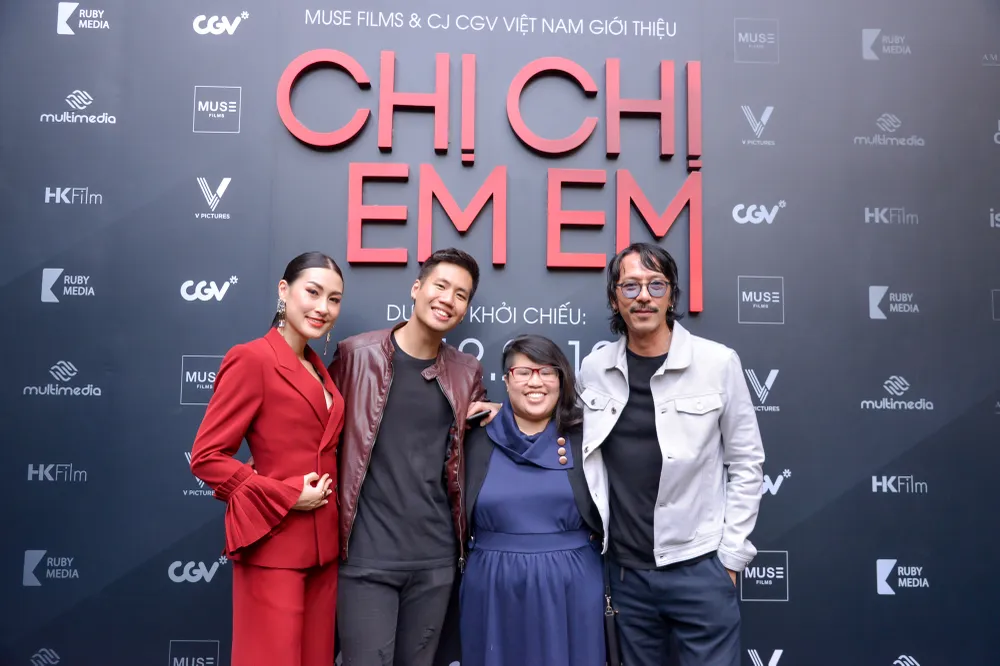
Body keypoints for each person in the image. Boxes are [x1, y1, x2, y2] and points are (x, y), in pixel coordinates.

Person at [578, 242, 765, 666]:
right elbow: (566, 429)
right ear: (615, 299)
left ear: (671, 295)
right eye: (630, 286)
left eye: (655, 285)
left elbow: (746, 463)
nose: (643, 296)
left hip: (699, 567)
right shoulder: (595, 369)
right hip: (625, 574)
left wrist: (730, 559)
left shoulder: (717, 363)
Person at [329, 247, 497, 666]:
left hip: (435, 561)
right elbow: (318, 432)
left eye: (461, 295)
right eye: (441, 286)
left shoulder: (467, 372)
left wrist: (503, 415)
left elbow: (471, 450)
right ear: (416, 288)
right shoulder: (356, 355)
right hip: (365, 557)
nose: (448, 299)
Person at [188, 252, 346, 666]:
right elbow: (206, 457)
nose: (323, 307)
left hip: (324, 550)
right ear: (284, 291)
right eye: (313, 292)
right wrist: (284, 494)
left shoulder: (318, 367)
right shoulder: (252, 358)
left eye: (333, 299)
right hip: (274, 544)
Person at [461, 334, 604, 666]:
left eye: (546, 372)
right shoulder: (474, 437)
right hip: (492, 587)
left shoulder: (589, 438)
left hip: (573, 586)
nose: (535, 382)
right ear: (506, 381)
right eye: (523, 372)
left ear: (561, 380)